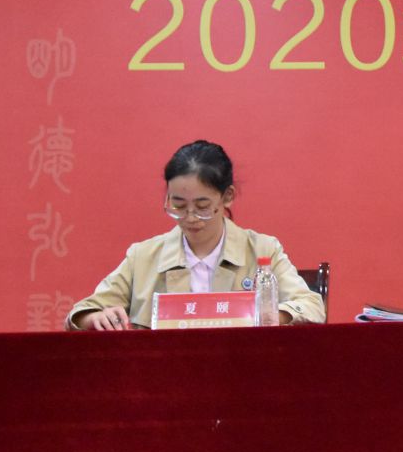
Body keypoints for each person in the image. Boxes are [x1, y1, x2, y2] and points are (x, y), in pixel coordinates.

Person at [66, 140, 325, 330]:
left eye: (202, 206)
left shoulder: (262, 250)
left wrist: (269, 315)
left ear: (227, 197)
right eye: (178, 205)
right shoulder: (142, 256)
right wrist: (93, 318)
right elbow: (82, 312)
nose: (190, 217)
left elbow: (312, 306)